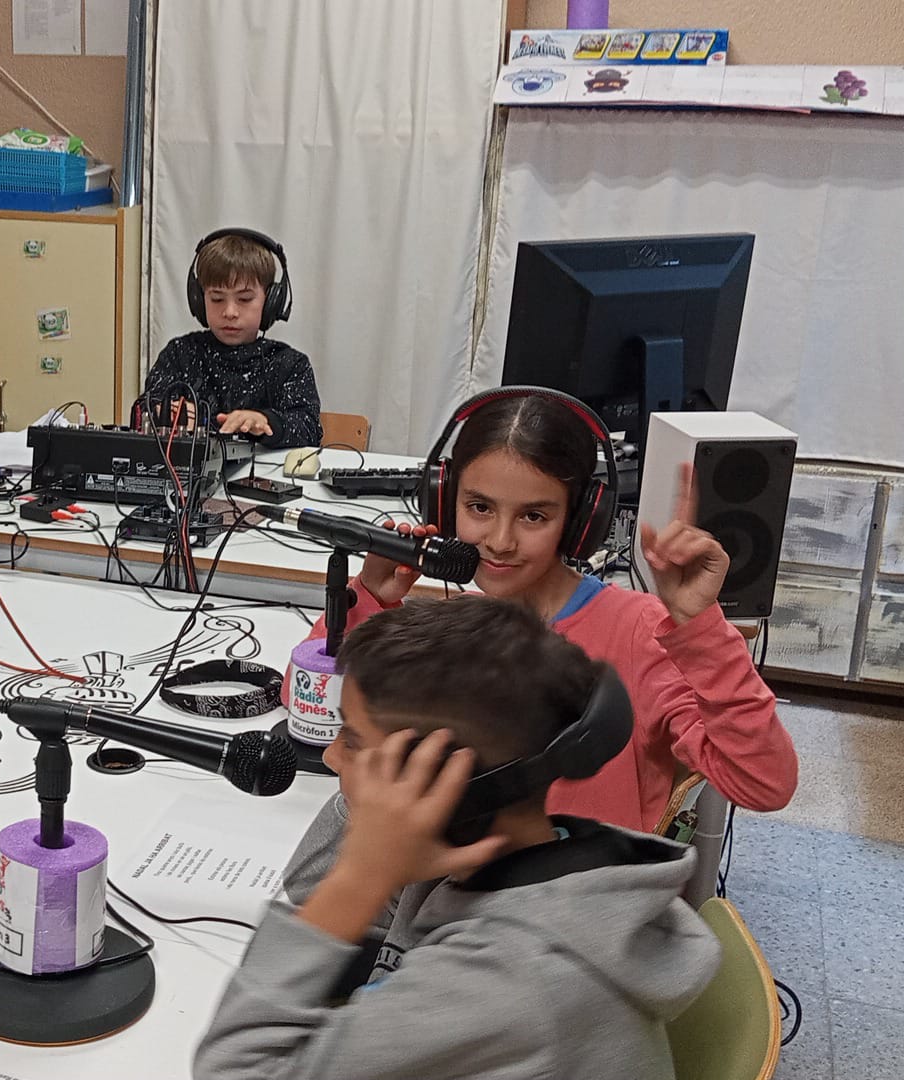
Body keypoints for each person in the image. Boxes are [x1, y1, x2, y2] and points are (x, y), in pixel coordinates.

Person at [197, 598, 721, 1080]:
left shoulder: (509, 981)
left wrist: (361, 876)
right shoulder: (519, 854)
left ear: (446, 784)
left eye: (352, 740)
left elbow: (236, 1070)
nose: (331, 756)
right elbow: (310, 890)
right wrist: (372, 846)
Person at [296, 388, 797, 831]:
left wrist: (700, 629)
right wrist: (370, 596)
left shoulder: (638, 632)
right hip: (458, 885)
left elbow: (764, 784)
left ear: (580, 522)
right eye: (479, 508)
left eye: (533, 516)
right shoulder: (454, 627)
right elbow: (311, 708)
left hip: (574, 897)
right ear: (443, 502)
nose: (500, 541)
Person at [143, 228, 321, 448]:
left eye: (244, 299)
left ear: (271, 302)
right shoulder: (180, 354)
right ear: (198, 300)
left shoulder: (290, 364)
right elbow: (144, 409)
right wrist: (163, 413)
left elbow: (309, 428)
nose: (230, 312)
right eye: (217, 299)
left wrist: (266, 422)